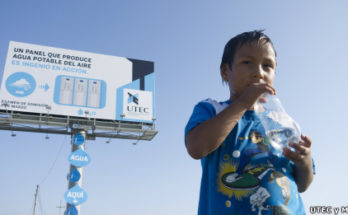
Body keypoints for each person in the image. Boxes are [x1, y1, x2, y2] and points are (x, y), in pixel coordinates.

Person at [185, 30, 315, 215]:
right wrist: (243, 103)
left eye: (267, 66)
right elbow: (196, 147)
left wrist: (305, 162)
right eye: (247, 63)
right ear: (225, 72)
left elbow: (302, 184)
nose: (259, 73)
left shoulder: (283, 122)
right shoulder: (212, 109)